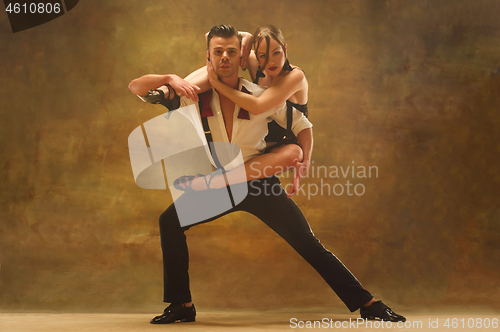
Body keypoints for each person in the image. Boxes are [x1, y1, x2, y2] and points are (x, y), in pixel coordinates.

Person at [129, 25, 405, 325]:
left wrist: (303, 159)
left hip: (259, 184)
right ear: (208, 57)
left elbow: (302, 126)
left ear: (241, 57)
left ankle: (369, 304)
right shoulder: (193, 98)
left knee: (307, 243)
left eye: (231, 52)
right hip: (223, 184)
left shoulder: (260, 95)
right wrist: (170, 79)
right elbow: (137, 88)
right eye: (218, 52)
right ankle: (182, 305)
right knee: (170, 221)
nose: (225, 57)